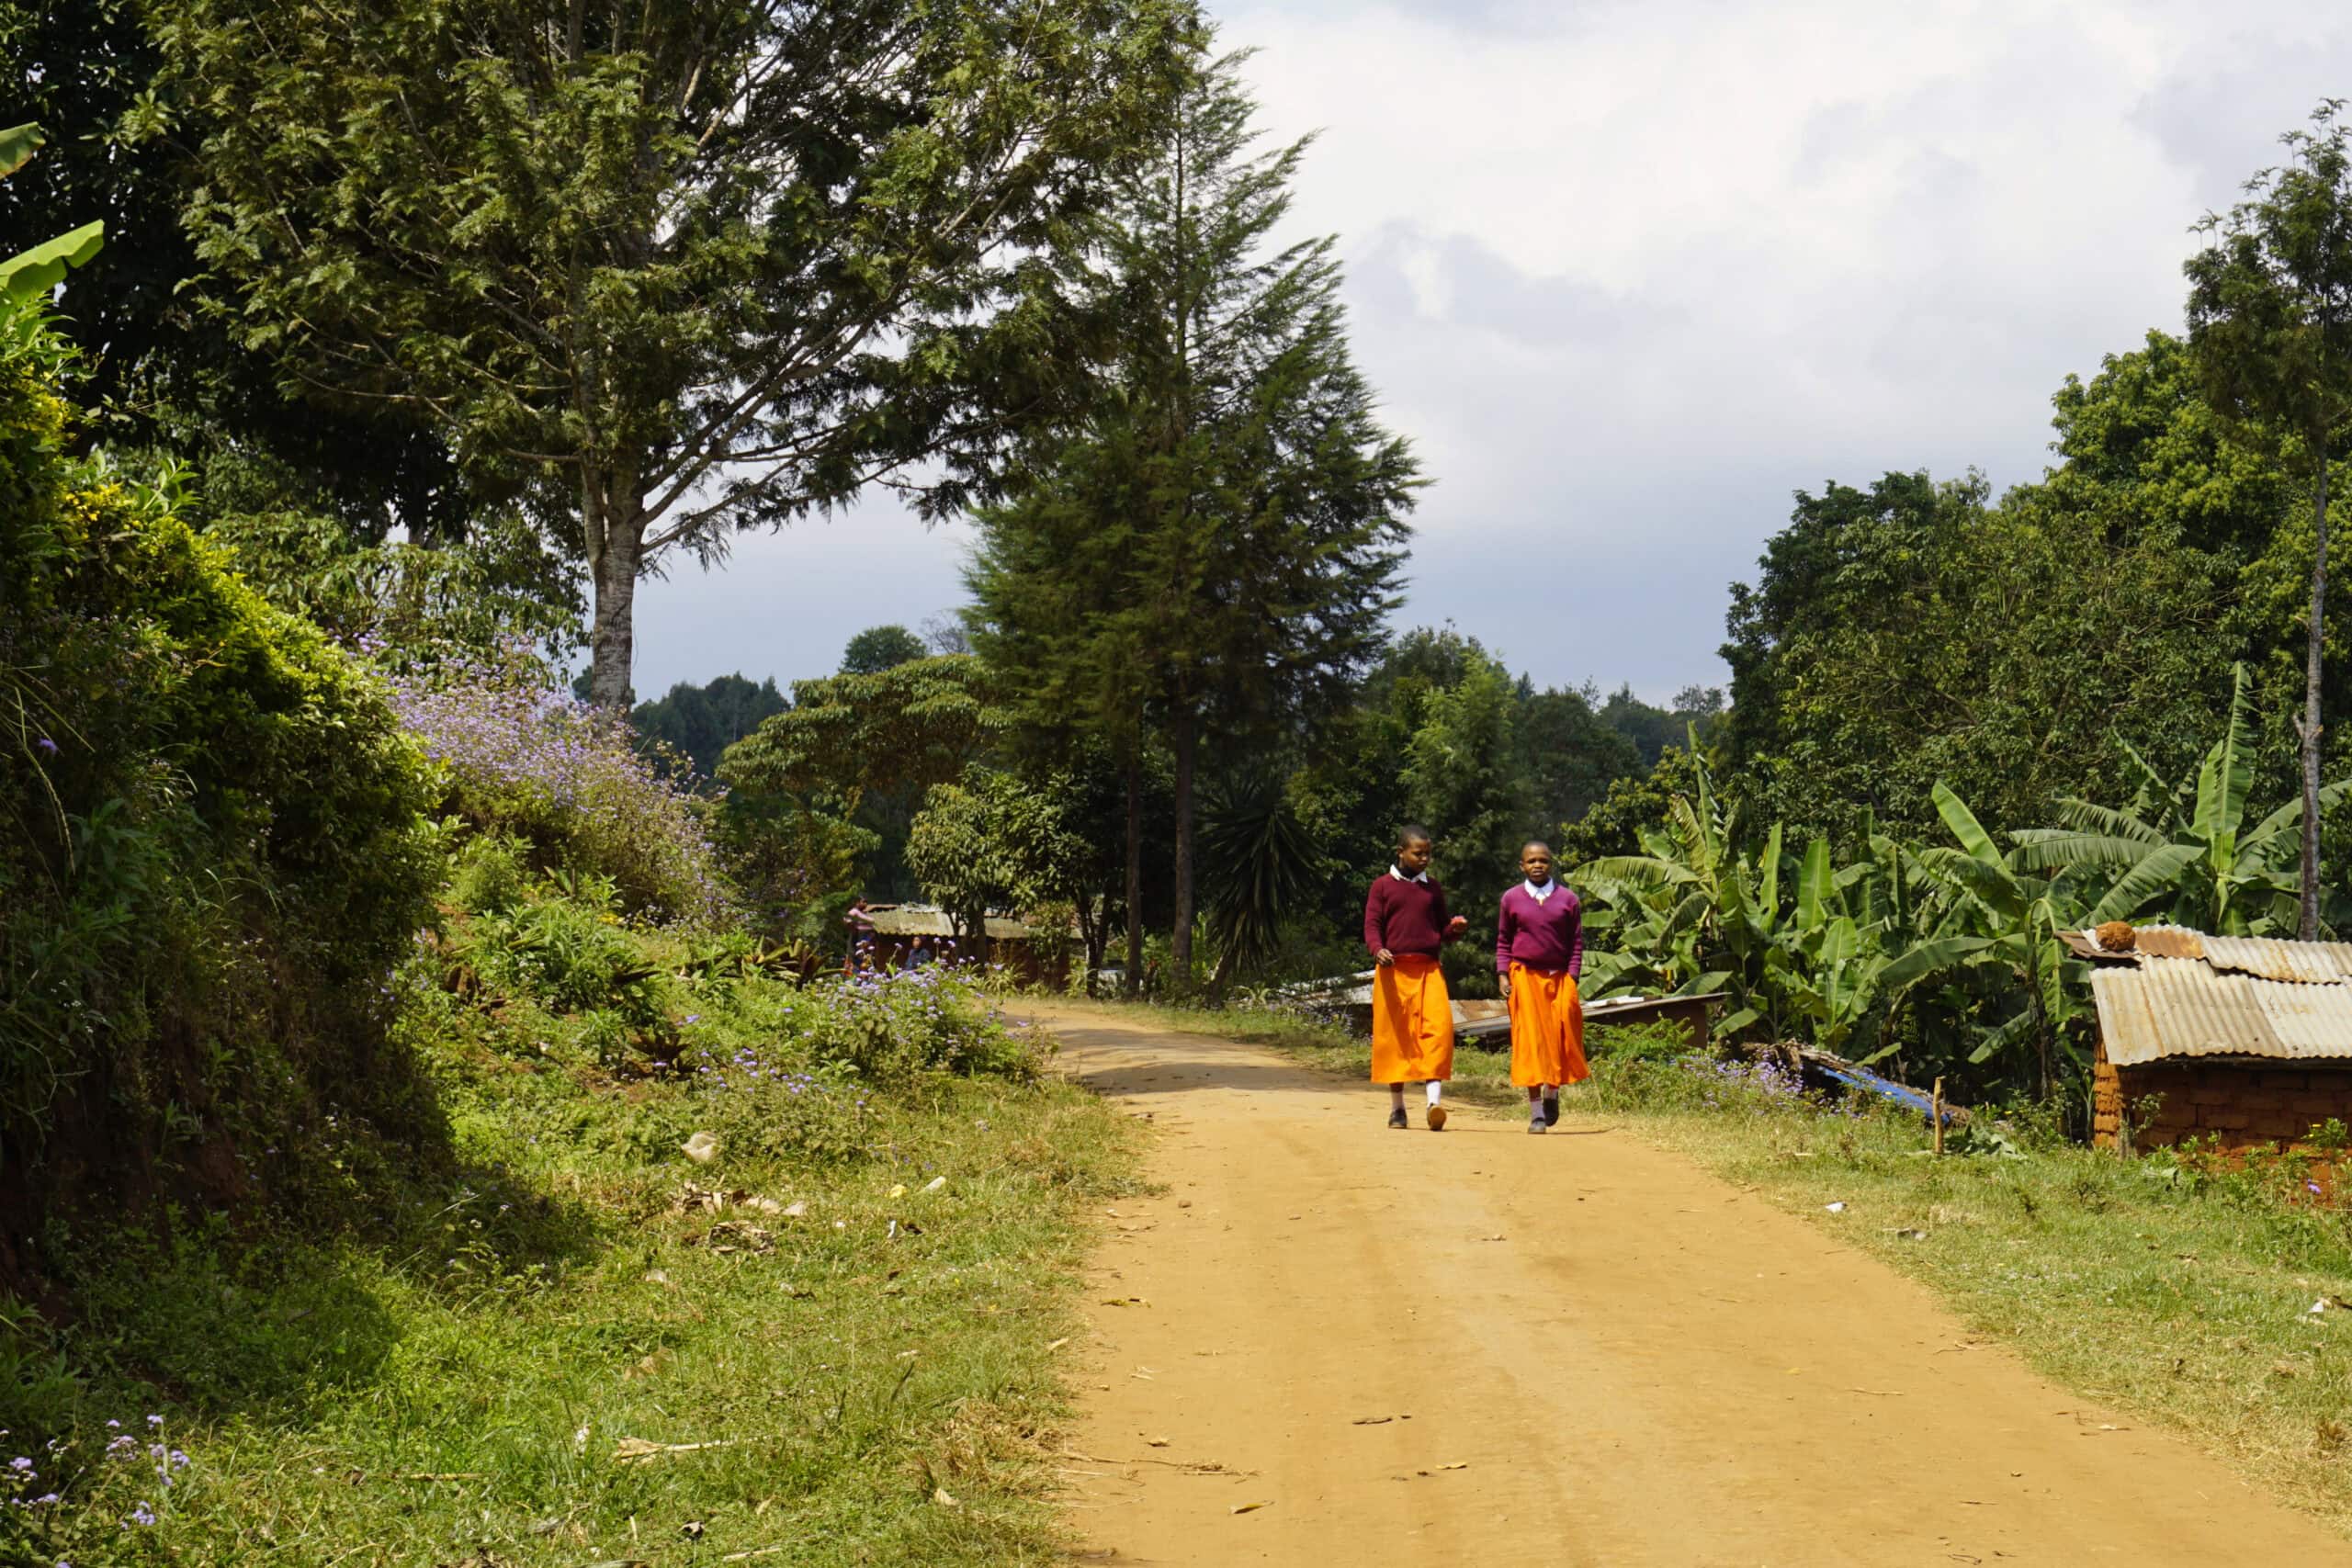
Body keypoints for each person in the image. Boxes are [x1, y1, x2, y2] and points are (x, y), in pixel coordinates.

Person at [1364, 824, 1470, 1130]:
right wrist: (1378, 949)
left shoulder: (1432, 888)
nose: (1424, 859)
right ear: (1401, 852)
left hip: (1428, 970)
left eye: (1428, 853)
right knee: (1394, 1037)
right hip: (1393, 971)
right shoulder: (1382, 886)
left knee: (1437, 1031)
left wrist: (1455, 929)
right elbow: (1372, 925)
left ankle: (1433, 1103)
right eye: (1418, 853)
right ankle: (1397, 1109)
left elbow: (1441, 930)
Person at [1495, 840, 1588, 1134]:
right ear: (1521, 865)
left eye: (1543, 861)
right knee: (1530, 1045)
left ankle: (1552, 1092)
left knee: (1563, 1038)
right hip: (1524, 978)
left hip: (1560, 979)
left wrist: (1572, 976)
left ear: (1551, 864)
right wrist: (1502, 975)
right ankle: (1536, 1113)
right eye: (1531, 861)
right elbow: (1503, 940)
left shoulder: (1568, 899)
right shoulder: (1511, 898)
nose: (1537, 865)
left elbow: (1576, 942)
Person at [844, 897, 877, 969]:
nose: (865, 904)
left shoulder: (862, 913)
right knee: (854, 956)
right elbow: (847, 919)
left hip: (865, 939)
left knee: (864, 958)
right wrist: (854, 928)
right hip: (857, 938)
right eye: (863, 902)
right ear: (857, 903)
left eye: (866, 902)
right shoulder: (854, 911)